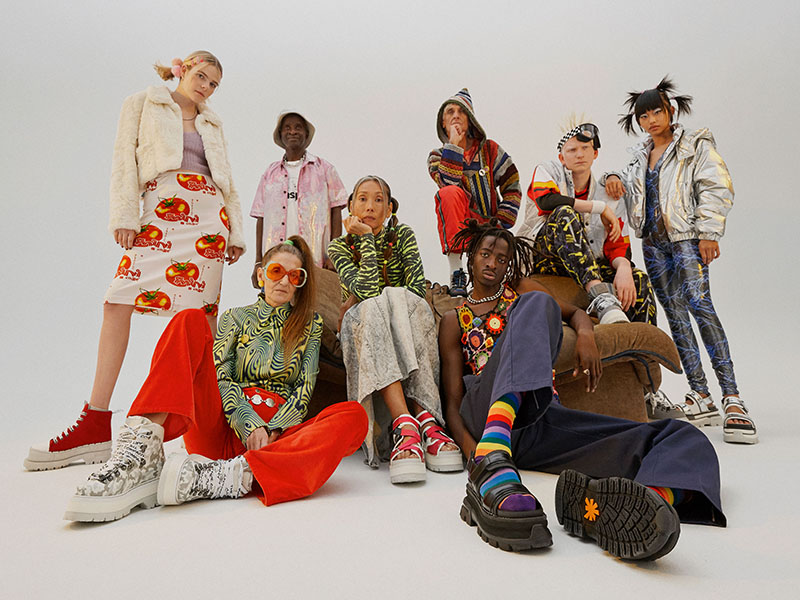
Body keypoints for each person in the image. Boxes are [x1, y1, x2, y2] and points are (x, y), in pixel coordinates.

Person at [439, 220, 726, 559]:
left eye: (502, 259)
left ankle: (634, 505)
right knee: (536, 303)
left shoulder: (520, 291)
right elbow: (453, 403)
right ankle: (493, 460)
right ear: (471, 257)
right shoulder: (454, 318)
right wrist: (476, 456)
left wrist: (587, 334)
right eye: (486, 255)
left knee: (683, 437)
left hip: (538, 418)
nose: (492, 263)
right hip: (486, 415)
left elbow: (576, 313)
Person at [25, 51, 247, 472]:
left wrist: (235, 233)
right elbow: (123, 160)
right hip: (161, 210)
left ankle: (207, 430)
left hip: (207, 221)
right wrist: (125, 217)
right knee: (116, 301)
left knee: (199, 323)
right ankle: (95, 421)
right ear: (183, 70)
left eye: (214, 84)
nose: (206, 87)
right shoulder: (143, 103)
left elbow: (228, 182)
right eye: (201, 76)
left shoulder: (213, 123)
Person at [63, 236, 368, 522]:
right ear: (261, 275)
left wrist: (273, 429)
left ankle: (225, 477)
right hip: (220, 431)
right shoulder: (236, 317)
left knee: (354, 416)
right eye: (277, 271)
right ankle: (140, 452)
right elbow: (222, 376)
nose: (285, 281)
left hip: (277, 442)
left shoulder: (310, 325)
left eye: (295, 276)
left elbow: (304, 390)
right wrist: (250, 424)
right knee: (190, 319)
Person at [604, 76, 756, 444]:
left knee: (701, 306)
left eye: (656, 112)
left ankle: (732, 397)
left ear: (670, 111)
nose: (651, 120)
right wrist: (611, 176)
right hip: (653, 245)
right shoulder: (639, 156)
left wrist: (709, 231)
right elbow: (628, 187)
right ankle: (700, 394)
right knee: (674, 314)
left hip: (687, 239)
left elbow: (715, 185)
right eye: (644, 116)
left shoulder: (694, 145)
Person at [328, 176, 462, 483]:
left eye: (378, 200)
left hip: (406, 318)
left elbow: (415, 291)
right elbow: (366, 292)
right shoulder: (339, 247)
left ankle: (425, 420)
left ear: (389, 209)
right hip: (361, 327)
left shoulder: (402, 235)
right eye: (362, 199)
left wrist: (367, 297)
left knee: (406, 302)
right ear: (351, 207)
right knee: (376, 304)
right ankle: (406, 425)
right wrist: (365, 239)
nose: (370, 206)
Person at [518, 117, 656, 327]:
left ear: (595, 153)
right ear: (562, 157)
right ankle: (600, 296)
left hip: (590, 261)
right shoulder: (549, 170)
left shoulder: (610, 193)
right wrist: (599, 207)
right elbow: (546, 200)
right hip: (547, 257)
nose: (580, 154)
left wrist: (624, 268)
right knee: (564, 213)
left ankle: (645, 343)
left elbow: (617, 244)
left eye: (585, 148)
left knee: (639, 279)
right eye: (572, 150)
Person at [427, 88, 521, 296]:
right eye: (450, 112)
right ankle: (457, 272)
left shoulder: (490, 150)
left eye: (462, 111)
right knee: (448, 194)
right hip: (461, 226)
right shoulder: (437, 156)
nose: (456, 116)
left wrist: (501, 221)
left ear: (470, 120)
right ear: (443, 122)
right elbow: (447, 183)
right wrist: (454, 146)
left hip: (491, 224)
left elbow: (512, 184)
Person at [249, 110, 347, 280]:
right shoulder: (270, 174)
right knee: (279, 295)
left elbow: (336, 211)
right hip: (276, 261)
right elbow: (261, 218)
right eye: (287, 128)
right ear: (280, 135)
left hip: (315, 259)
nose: (292, 131)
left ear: (306, 134)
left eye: (298, 127)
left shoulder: (324, 169)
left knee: (314, 296)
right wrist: (258, 261)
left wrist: (334, 255)